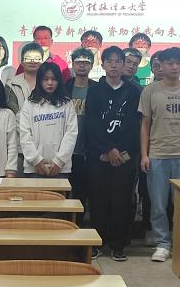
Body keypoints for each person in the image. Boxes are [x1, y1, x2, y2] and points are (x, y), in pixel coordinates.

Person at [139, 47, 180, 263]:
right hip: (157, 154)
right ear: (161, 65)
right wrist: (144, 154)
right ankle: (162, 244)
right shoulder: (150, 91)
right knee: (158, 204)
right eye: (170, 63)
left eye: (179, 63)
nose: (175, 67)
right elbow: (145, 124)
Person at [86, 46, 141, 262]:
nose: (115, 65)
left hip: (124, 156)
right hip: (99, 155)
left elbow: (133, 125)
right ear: (103, 64)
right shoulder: (95, 90)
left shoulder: (133, 91)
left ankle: (119, 245)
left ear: (124, 64)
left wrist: (118, 150)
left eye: (119, 61)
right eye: (110, 61)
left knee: (122, 201)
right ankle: (97, 242)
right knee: (98, 200)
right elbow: (92, 124)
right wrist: (108, 149)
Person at [19, 62, 78, 178]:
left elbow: (71, 134)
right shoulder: (29, 103)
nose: (50, 83)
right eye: (45, 79)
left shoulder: (67, 103)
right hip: (34, 168)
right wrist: (36, 161)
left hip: (61, 168)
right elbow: (25, 134)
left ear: (59, 81)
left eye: (54, 79)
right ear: (39, 80)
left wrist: (59, 161)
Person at [65, 48, 96, 220]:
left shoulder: (97, 89)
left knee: (82, 193)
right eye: (78, 62)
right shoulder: (64, 88)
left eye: (86, 63)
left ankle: (79, 226)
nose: (82, 66)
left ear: (92, 65)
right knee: (65, 192)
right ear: (73, 64)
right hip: (66, 150)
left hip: (87, 150)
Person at [6, 42, 42, 113]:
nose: (32, 61)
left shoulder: (49, 83)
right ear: (22, 62)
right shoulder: (11, 85)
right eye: (28, 58)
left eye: (36, 58)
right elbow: (12, 113)